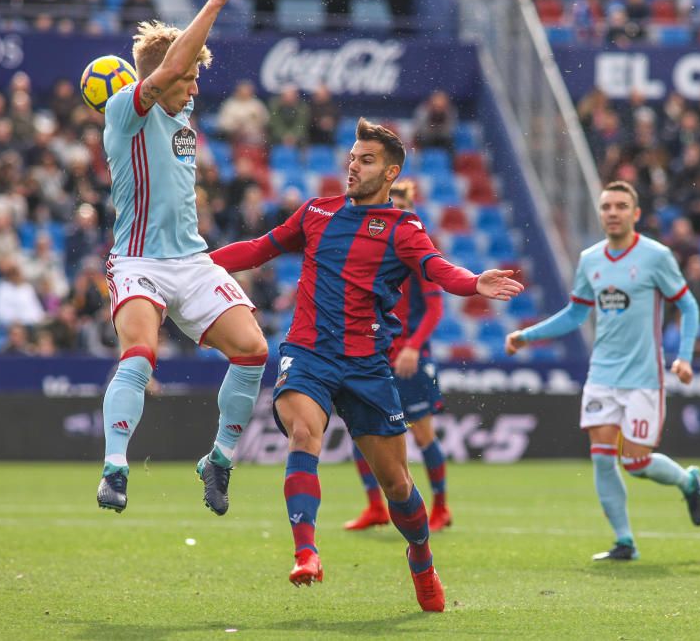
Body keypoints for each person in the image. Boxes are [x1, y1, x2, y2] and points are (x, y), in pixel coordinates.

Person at [209, 118, 523, 612]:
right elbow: (257, 250)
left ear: (391, 172)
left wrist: (472, 283)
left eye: (367, 160)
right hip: (307, 352)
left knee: (397, 484)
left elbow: (439, 270)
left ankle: (421, 557)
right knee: (303, 435)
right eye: (353, 158)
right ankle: (306, 552)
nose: (354, 166)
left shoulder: (403, 228)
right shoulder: (316, 212)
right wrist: (198, 264)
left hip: (366, 365)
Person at [95, 0, 270, 519]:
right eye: (188, 74)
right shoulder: (127, 111)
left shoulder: (182, 112)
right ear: (158, 75)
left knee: (253, 351)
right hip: (138, 262)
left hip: (191, 262)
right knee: (141, 353)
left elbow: (179, 76)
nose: (194, 85)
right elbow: (170, 70)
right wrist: (215, 3)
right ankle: (115, 468)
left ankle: (218, 459)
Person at [505, 180, 700, 562]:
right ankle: (624, 541)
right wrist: (527, 335)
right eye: (606, 206)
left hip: (644, 377)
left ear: (635, 214)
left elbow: (690, 307)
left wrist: (684, 357)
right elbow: (576, 314)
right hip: (602, 375)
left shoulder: (656, 256)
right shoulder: (590, 259)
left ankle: (687, 480)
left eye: (619, 206)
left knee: (635, 463)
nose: (612, 212)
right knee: (601, 456)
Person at [343, 180, 452, 534]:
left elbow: (436, 308)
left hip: (410, 357)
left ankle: (441, 507)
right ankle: (375, 506)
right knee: (362, 431)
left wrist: (413, 347)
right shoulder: (374, 249)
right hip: (375, 354)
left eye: (402, 204)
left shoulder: (420, 250)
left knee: (422, 434)